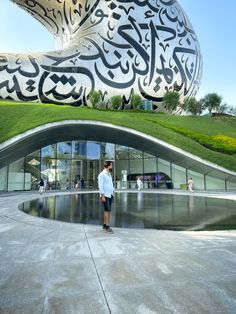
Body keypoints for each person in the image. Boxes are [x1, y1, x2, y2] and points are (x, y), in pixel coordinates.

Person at [98, 161, 114, 233]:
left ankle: (104, 225)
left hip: (110, 194)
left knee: (107, 210)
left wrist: (113, 191)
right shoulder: (102, 175)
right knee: (107, 210)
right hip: (105, 195)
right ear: (108, 166)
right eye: (111, 165)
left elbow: (110, 184)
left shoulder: (109, 174)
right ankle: (107, 226)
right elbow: (100, 186)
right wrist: (102, 195)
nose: (112, 167)